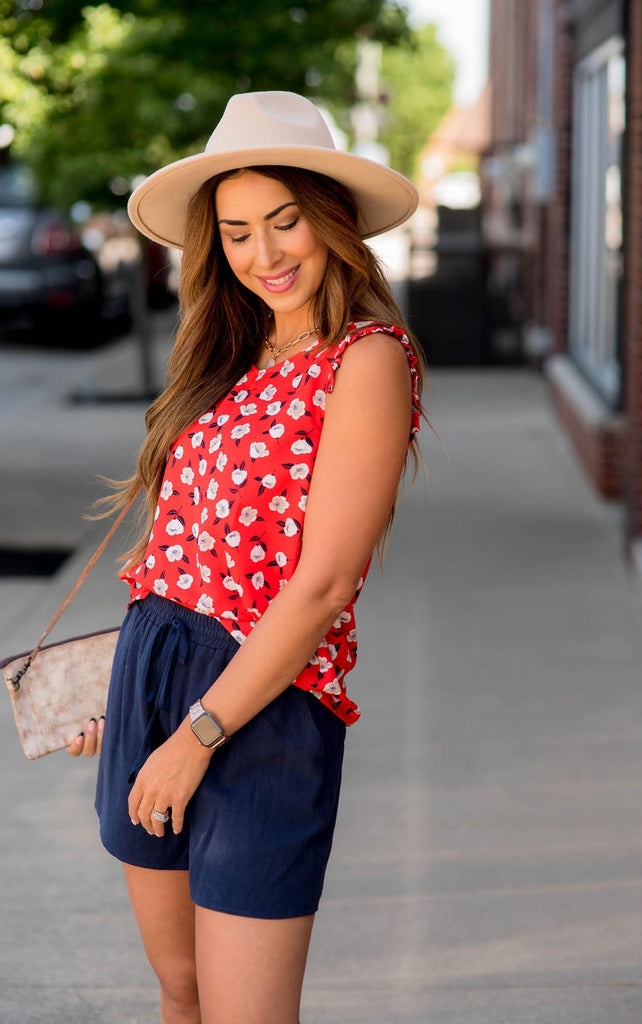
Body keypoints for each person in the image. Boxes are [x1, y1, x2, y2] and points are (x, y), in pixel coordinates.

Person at [68, 90, 424, 1024]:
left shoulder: (366, 359)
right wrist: (122, 686)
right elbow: (183, 545)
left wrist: (197, 736)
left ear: (333, 221)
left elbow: (324, 584)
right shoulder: (229, 353)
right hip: (155, 668)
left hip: (264, 704)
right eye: (234, 233)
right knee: (181, 990)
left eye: (284, 222)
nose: (263, 255)